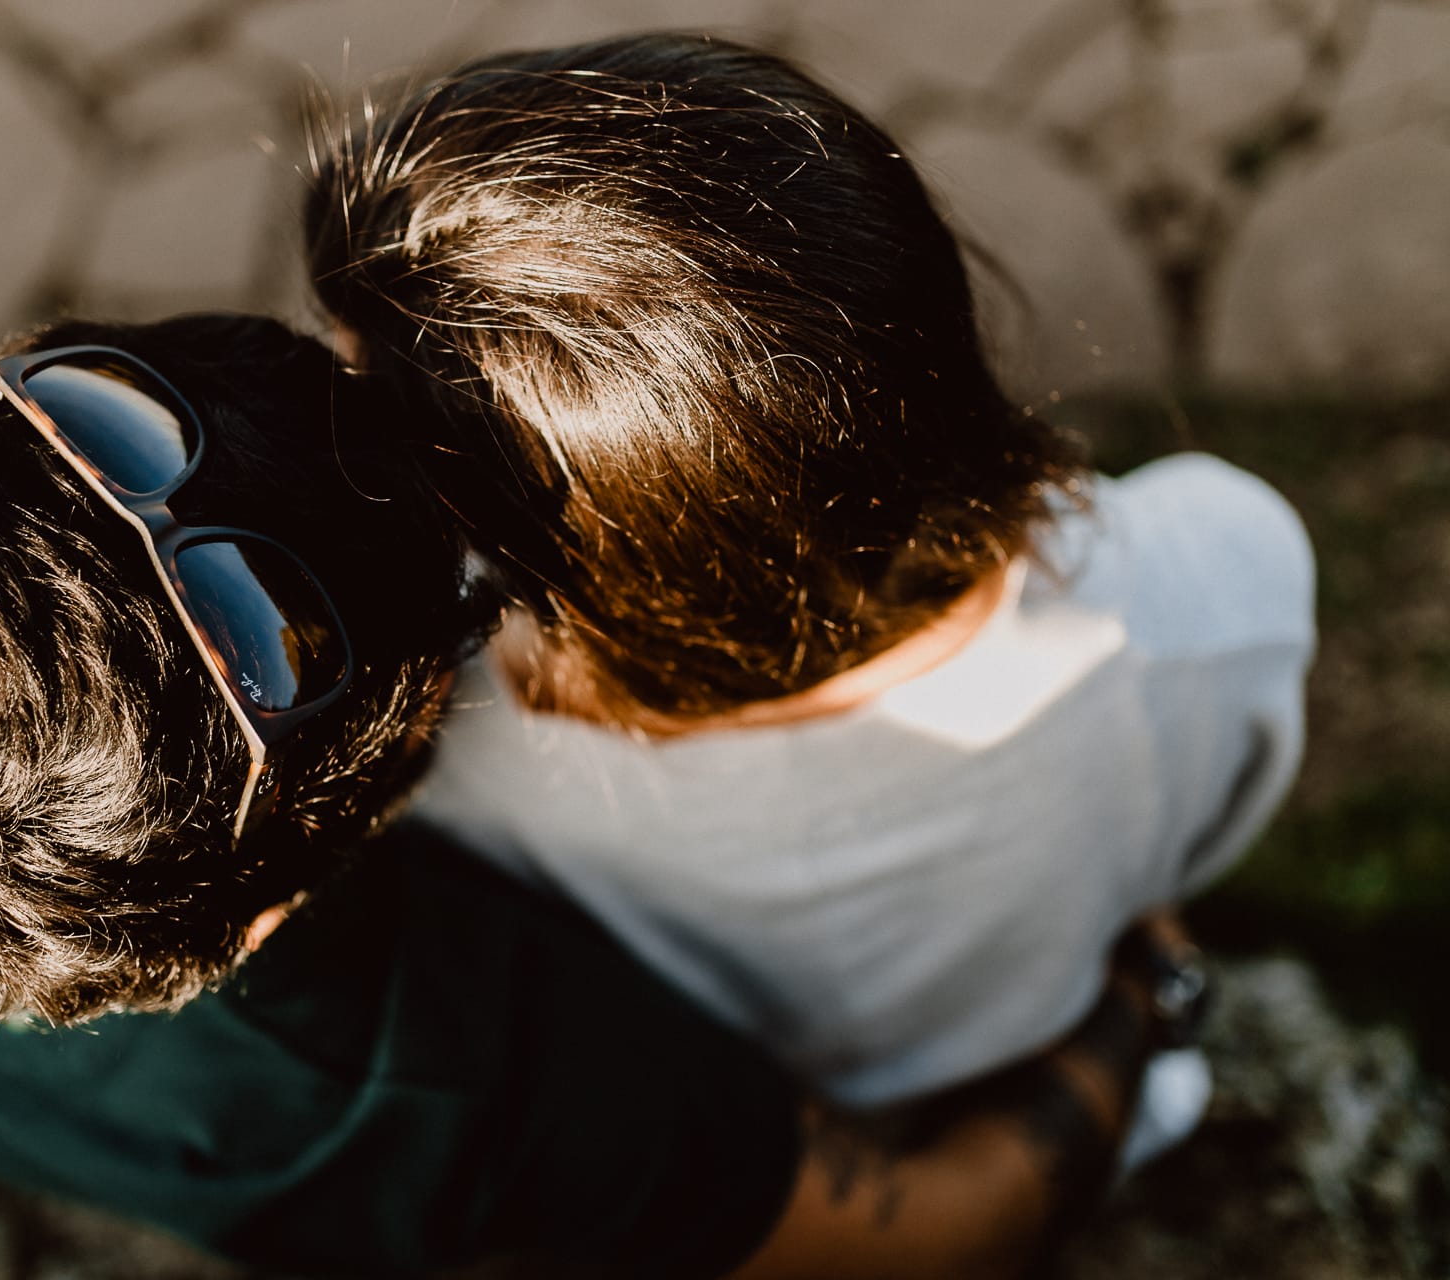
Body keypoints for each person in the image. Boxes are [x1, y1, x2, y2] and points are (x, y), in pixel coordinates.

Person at [0, 312, 1191, 1278]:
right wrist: (1151, 987)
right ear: (260, 918)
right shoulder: (470, 1082)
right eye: (470, 601)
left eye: (95, 389)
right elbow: (929, 1235)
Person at [306, 33, 1314, 1117]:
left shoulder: (451, 759)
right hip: (1071, 1087)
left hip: (750, 1149)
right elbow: (1206, 827)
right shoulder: (1206, 587)